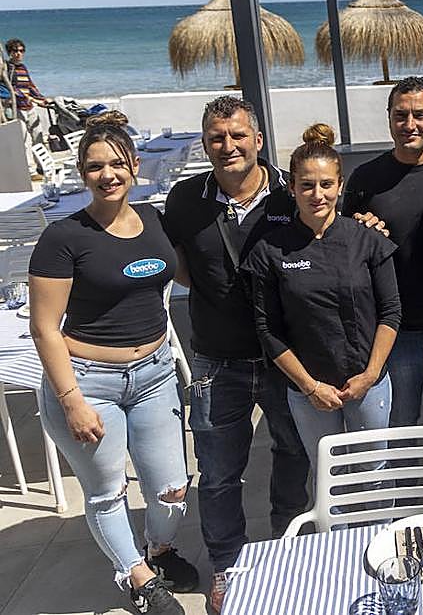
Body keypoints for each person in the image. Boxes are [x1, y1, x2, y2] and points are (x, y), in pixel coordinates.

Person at [28, 112, 197, 615]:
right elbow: (44, 328)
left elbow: (185, 272)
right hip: (88, 381)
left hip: (155, 376)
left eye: (117, 164)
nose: (108, 174)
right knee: (105, 492)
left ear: (134, 165)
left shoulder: (155, 219)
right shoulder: (63, 238)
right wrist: (71, 401)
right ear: (82, 173)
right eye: (95, 166)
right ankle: (140, 580)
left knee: (171, 488)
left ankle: (159, 548)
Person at [164, 96, 308, 612]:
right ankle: (226, 565)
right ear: (205, 144)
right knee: (220, 472)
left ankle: (288, 549)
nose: (228, 146)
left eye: (237, 135)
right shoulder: (184, 200)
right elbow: (176, 265)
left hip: (286, 358)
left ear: (258, 140)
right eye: (217, 138)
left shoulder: (292, 195)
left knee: (294, 456)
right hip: (215, 358)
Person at [243, 124, 400, 473]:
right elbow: (267, 329)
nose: (318, 194)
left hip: (368, 382)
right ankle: (340, 532)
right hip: (309, 389)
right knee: (328, 477)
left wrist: (370, 375)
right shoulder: (270, 250)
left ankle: (378, 529)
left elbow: (391, 312)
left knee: (373, 473)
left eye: (327, 184)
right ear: (292, 188)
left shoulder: (367, 238)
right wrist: (310, 386)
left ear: (340, 187)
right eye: (307, 185)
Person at [342, 77, 423, 427]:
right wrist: (361, 233)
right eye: (401, 115)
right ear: (389, 118)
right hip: (397, 329)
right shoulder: (365, 179)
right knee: (401, 423)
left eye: (420, 114)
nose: (410, 125)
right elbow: (342, 247)